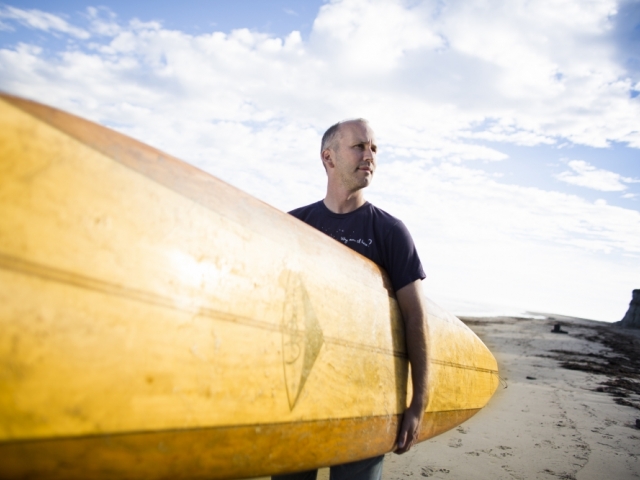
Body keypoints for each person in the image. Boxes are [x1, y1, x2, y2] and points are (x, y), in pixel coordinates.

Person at [274, 119, 429, 480]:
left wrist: (418, 404)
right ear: (328, 157)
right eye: (359, 146)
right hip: (297, 398)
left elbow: (415, 319)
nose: (369, 156)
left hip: (365, 403)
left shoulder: (390, 232)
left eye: (374, 148)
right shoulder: (294, 224)